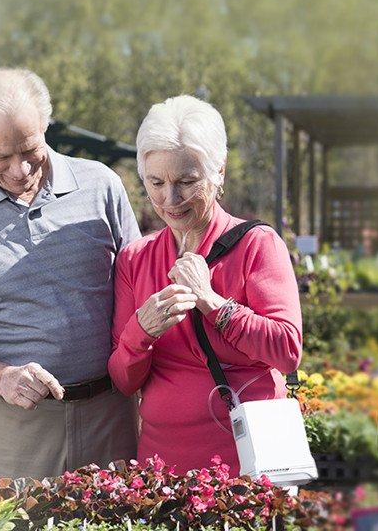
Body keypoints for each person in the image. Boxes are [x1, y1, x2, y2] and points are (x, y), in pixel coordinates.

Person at [0, 67, 142, 479]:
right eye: (2, 156)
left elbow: (137, 286)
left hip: (112, 417)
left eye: (30, 149)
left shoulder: (102, 186)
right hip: (9, 429)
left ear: (45, 127)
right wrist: (0, 377)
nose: (20, 169)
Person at [108, 95, 305, 474]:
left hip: (248, 465)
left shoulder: (257, 245)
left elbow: (287, 352)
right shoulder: (135, 258)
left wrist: (214, 303)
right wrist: (141, 331)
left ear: (219, 172)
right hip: (160, 470)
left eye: (187, 181)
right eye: (156, 182)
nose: (171, 198)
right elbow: (123, 379)